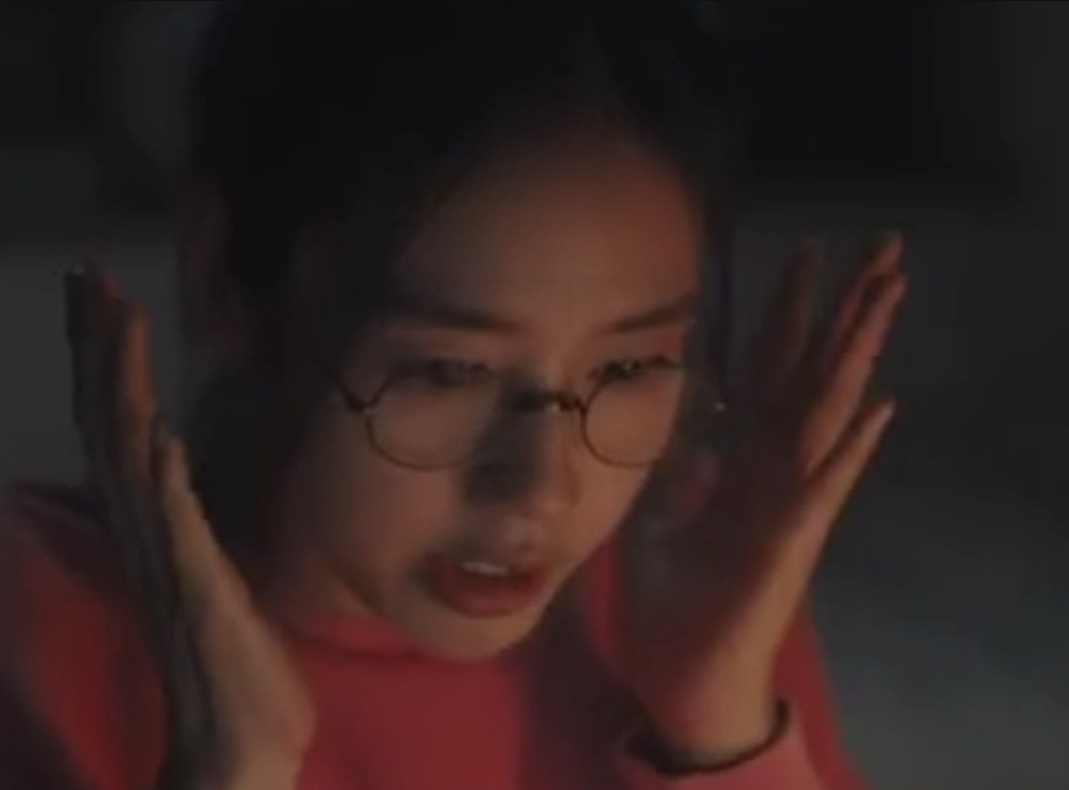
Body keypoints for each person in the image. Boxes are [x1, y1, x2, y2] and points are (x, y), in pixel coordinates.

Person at [0, 4, 907, 790]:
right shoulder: (39, 627)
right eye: (448, 372)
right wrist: (229, 767)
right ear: (225, 280)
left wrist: (721, 729)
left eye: (628, 370)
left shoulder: (690, 585)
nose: (540, 488)